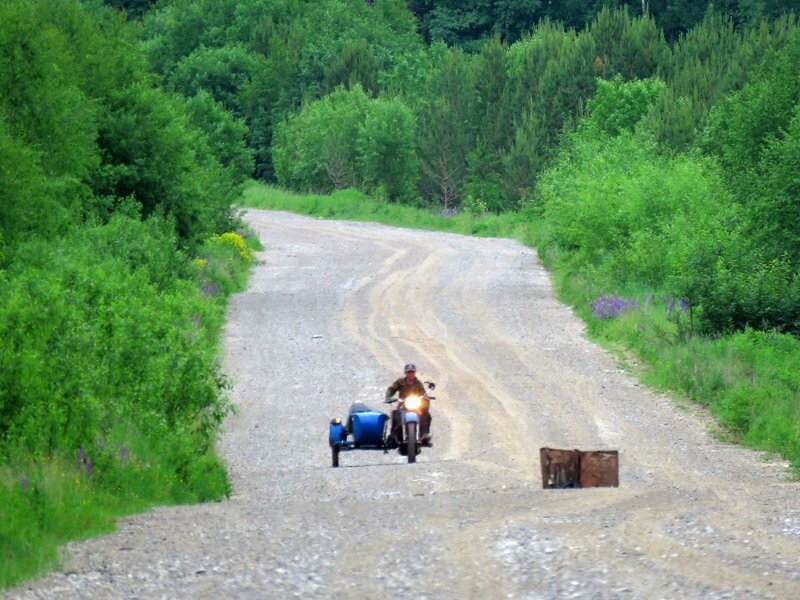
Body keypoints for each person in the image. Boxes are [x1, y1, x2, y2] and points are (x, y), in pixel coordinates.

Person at [384, 363, 432, 447]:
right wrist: (388, 397)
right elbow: (391, 389)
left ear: (415, 373)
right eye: (408, 372)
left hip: (416, 405)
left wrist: (425, 398)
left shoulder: (419, 383)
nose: (410, 373)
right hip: (403, 405)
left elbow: (424, 394)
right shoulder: (400, 382)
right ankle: (395, 436)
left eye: (412, 372)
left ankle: (424, 435)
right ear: (405, 373)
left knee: (426, 414)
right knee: (395, 414)